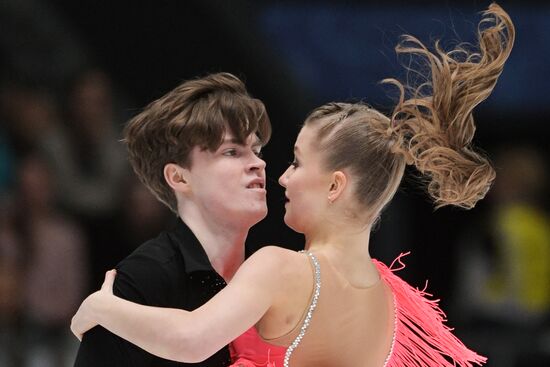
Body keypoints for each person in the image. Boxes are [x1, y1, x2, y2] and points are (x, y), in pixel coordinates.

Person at [71, 3, 513, 366]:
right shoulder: (394, 300)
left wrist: (103, 308)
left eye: (297, 162)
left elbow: (191, 340)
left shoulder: (280, 268)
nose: (280, 174)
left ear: (335, 185)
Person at [72, 72, 272, 367]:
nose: (258, 163)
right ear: (178, 177)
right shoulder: (142, 279)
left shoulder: (270, 275)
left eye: (255, 149)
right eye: (232, 151)